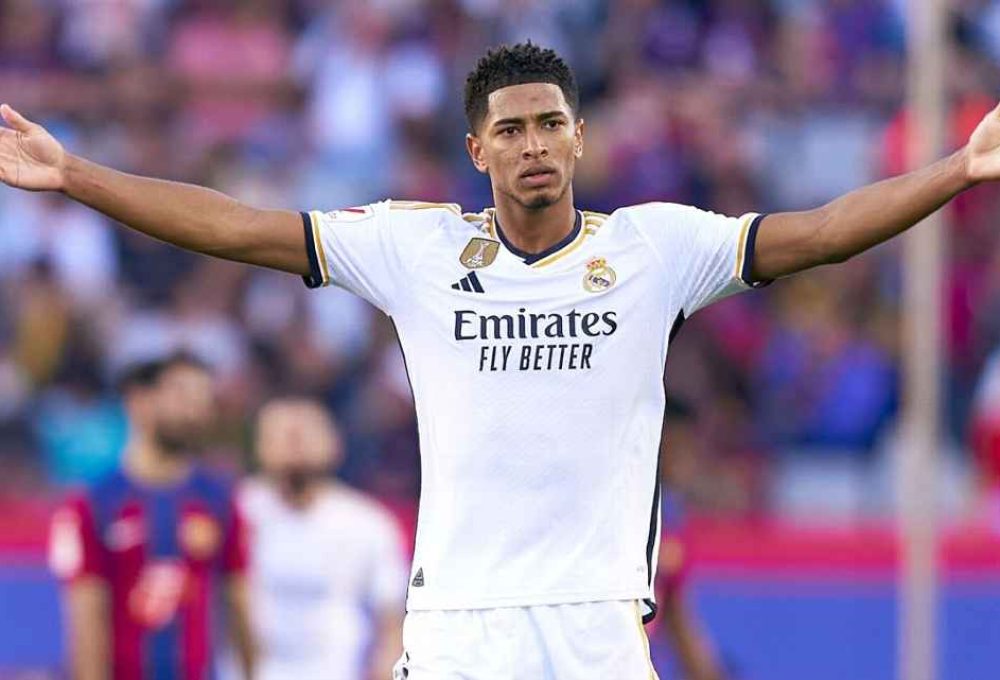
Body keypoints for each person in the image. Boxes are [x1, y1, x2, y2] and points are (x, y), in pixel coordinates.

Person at [7, 40, 1000, 678]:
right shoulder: (417, 247)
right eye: (512, 129)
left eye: (552, 125)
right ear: (477, 148)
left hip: (599, 624)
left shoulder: (655, 246)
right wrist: (77, 175)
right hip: (456, 624)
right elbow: (241, 227)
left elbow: (819, 231)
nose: (535, 145)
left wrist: (958, 168)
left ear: (580, 138)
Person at [47, 352, 256, 680]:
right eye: (182, 395)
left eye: (203, 400)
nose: (195, 411)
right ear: (139, 401)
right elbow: (86, 622)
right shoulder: (93, 505)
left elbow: (241, 608)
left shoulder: (220, 501)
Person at [239, 396, 406, 680]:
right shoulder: (235, 513)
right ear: (259, 446)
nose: (295, 442)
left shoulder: (368, 523)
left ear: (335, 444)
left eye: (305, 432)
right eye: (283, 434)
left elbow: (392, 623)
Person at [648, 399, 725, 680]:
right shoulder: (616, 514)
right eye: (678, 447)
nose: (689, 459)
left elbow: (678, 618)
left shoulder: (673, 521)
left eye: (693, 448)